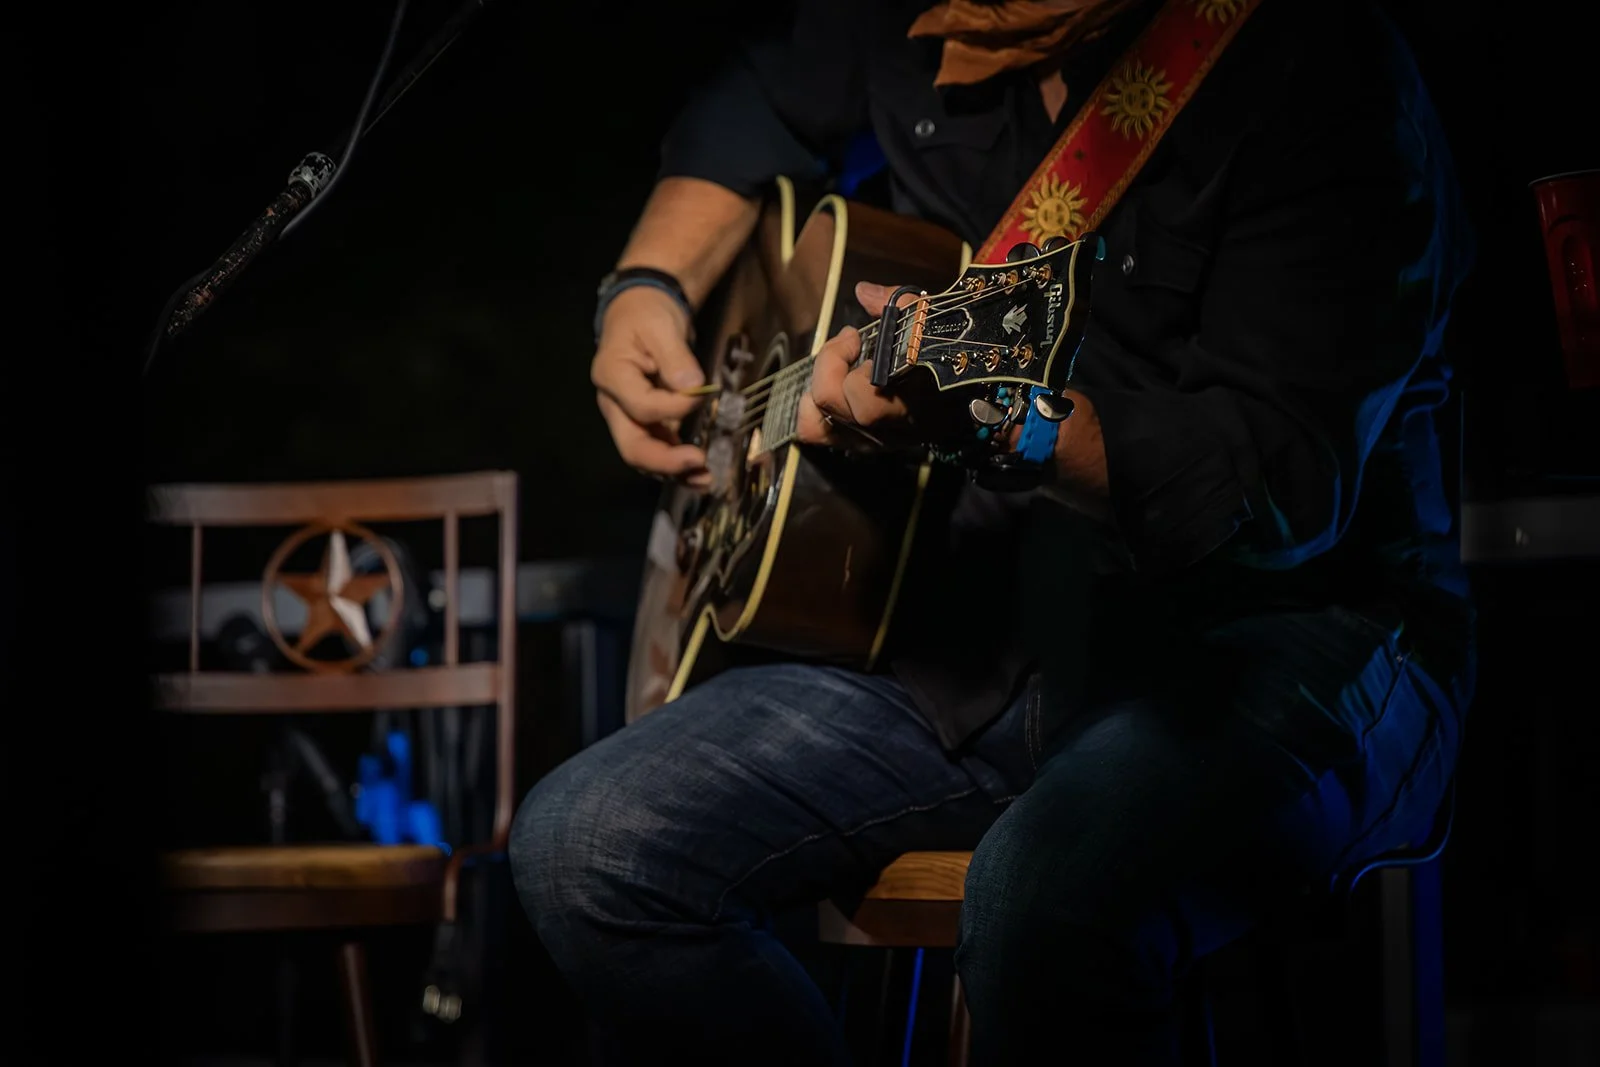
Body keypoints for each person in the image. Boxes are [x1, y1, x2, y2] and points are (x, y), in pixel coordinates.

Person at [511, 0, 1476, 1062]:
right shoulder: (922, 19)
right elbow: (755, 96)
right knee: (584, 842)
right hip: (988, 635)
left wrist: (1002, 424)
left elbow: (1276, 479)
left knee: (1041, 904)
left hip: (1285, 639)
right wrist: (643, 289)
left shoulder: (1319, 61)